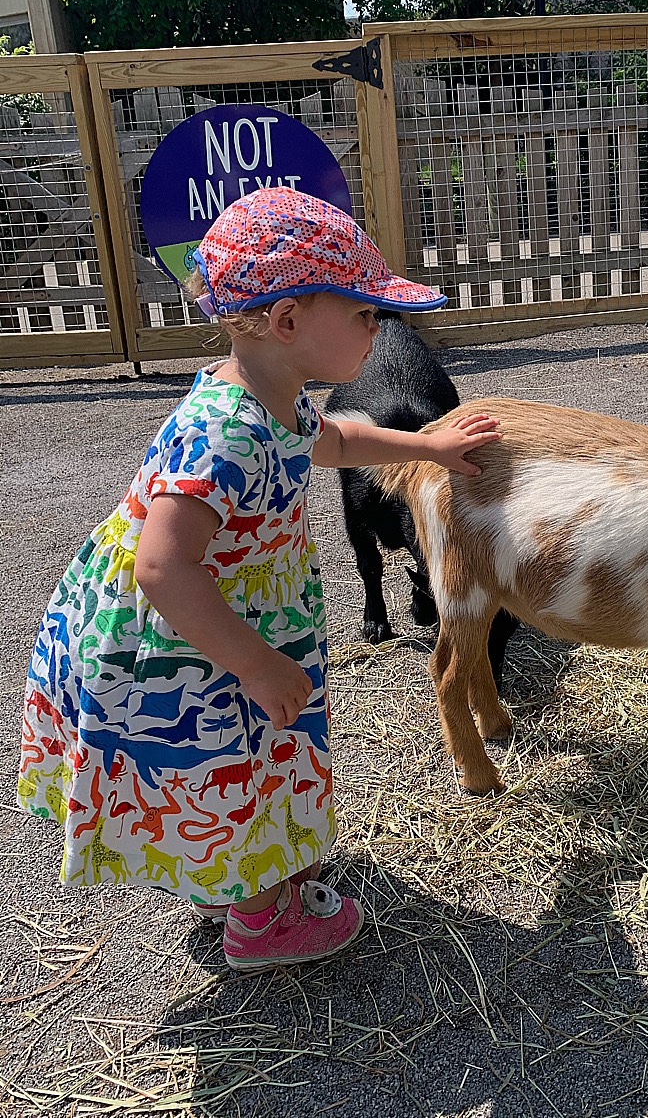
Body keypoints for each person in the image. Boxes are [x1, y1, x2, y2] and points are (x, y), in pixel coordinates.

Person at [18, 186, 500, 971]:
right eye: (364, 313)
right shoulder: (227, 434)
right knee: (236, 763)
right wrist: (255, 662)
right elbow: (163, 566)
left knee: (249, 759)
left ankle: (235, 882)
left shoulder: (274, 397)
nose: (377, 327)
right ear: (287, 321)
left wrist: (426, 448)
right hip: (196, 638)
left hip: (229, 615)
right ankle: (261, 920)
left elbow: (332, 441)